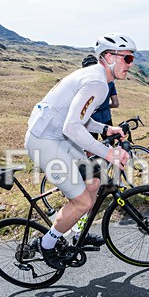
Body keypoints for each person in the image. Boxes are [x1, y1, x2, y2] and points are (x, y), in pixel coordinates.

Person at [25, 33, 135, 269]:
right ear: (108, 57)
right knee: (84, 202)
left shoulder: (97, 79)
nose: (130, 64)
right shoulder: (96, 82)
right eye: (127, 58)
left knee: (93, 182)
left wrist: (106, 129)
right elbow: (72, 126)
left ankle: (76, 235)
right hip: (45, 141)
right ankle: (46, 244)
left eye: (132, 58)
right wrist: (109, 154)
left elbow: (78, 119)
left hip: (59, 136)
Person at [88, 53, 120, 140]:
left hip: (91, 120)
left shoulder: (86, 83)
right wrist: (106, 106)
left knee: (91, 148)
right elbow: (116, 103)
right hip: (106, 118)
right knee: (110, 144)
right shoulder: (110, 83)